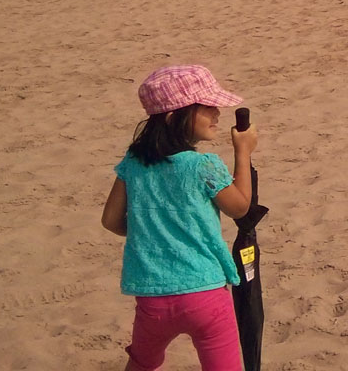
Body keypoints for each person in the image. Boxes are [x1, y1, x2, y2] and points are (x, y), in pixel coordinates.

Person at [101, 65, 258, 371]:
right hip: (205, 292)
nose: (216, 113)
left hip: (153, 296)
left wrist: (151, 231)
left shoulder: (133, 163)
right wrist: (243, 152)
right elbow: (239, 207)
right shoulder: (203, 165)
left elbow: (111, 220)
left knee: (142, 363)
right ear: (174, 117)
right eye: (207, 107)